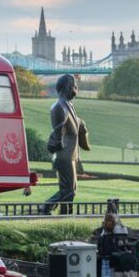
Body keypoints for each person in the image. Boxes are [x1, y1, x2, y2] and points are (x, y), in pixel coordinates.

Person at [43, 74, 89, 215]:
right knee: (69, 190)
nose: (76, 88)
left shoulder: (68, 105)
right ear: (69, 87)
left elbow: (74, 125)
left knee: (71, 189)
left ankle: (65, 214)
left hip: (71, 155)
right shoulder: (59, 107)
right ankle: (46, 207)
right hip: (64, 155)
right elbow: (57, 133)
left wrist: (81, 124)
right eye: (75, 85)